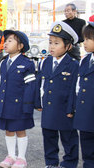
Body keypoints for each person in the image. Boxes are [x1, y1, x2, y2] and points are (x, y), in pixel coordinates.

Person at [36, 21, 79, 168]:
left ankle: (70, 162)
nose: (52, 47)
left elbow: (74, 88)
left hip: (65, 109)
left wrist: (71, 108)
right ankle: (51, 162)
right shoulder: (46, 62)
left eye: (56, 43)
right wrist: (38, 102)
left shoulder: (73, 65)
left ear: (68, 46)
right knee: (49, 137)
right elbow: (40, 83)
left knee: (69, 138)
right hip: (48, 107)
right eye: (50, 43)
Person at [0, 30, 35, 168]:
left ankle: (21, 158)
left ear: (20, 46)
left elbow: (30, 87)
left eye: (10, 41)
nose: (6, 43)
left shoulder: (27, 63)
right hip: (5, 103)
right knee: (8, 129)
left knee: (20, 129)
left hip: (20, 104)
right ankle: (11, 156)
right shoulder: (3, 63)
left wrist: (27, 105)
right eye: (6, 40)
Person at [73, 21, 94, 168]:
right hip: (86, 114)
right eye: (84, 39)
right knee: (87, 147)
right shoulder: (86, 60)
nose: (84, 42)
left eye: (88, 39)